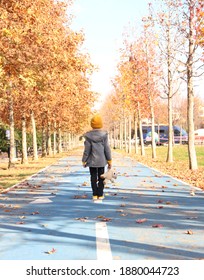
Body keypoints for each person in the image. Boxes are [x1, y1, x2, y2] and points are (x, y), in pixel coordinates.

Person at [82, 114, 112, 201]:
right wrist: (109, 160)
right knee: (102, 176)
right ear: (101, 124)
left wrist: (84, 160)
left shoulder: (88, 136)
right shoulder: (104, 135)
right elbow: (107, 148)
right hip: (102, 160)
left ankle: (94, 194)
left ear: (92, 124)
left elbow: (87, 150)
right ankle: (100, 194)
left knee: (93, 177)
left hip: (92, 161)